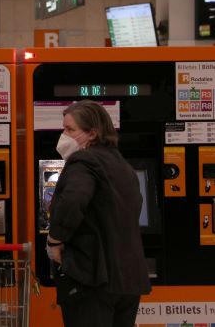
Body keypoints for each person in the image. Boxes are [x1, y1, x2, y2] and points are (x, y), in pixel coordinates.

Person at [46, 100, 151, 327]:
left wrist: (55, 240)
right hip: (128, 279)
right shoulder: (122, 165)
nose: (63, 135)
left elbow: (73, 200)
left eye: (70, 129)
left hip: (93, 278)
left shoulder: (84, 161)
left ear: (92, 134)